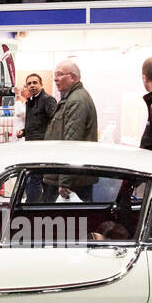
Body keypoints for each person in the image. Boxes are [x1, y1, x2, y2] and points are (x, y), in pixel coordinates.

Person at [45, 60, 99, 201]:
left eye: (60, 74)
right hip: (71, 178)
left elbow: (71, 143)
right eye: (54, 75)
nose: (56, 78)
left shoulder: (76, 101)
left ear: (73, 77)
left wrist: (64, 181)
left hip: (73, 183)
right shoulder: (71, 98)